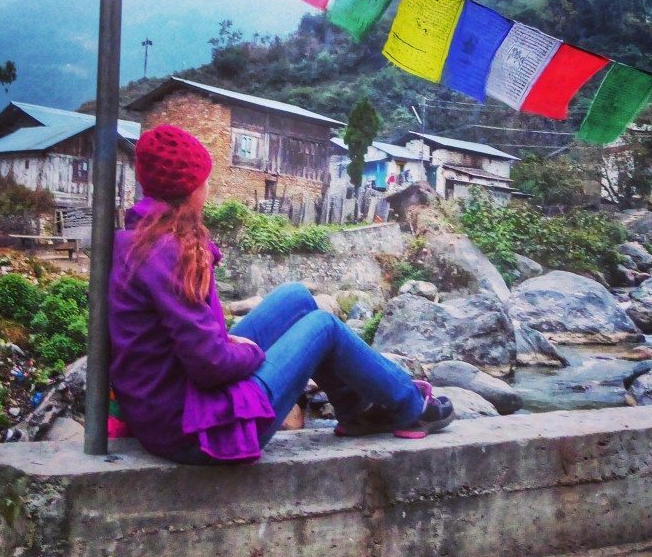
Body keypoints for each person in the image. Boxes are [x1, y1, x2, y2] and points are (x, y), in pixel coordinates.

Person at [108, 124, 454, 464]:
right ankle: (411, 406)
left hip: (171, 404)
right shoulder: (169, 251)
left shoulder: (140, 235)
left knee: (296, 296)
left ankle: (356, 411)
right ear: (190, 189)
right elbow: (210, 365)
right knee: (324, 326)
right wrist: (250, 352)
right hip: (194, 429)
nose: (208, 187)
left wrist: (229, 344)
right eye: (205, 179)